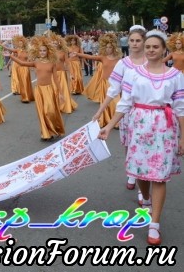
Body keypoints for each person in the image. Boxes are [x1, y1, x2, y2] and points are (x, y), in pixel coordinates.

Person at [98, 30, 184, 246]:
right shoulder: (134, 73)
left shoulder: (176, 76)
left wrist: (183, 137)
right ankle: (145, 198)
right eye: (148, 47)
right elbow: (125, 102)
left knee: (160, 176)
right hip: (139, 125)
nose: (151, 50)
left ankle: (154, 224)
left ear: (164, 49)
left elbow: (181, 108)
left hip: (164, 127)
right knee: (141, 173)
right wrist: (108, 126)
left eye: (155, 47)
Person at [93, 25, 147, 190]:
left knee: (144, 147)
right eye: (132, 40)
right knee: (129, 145)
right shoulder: (123, 64)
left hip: (147, 112)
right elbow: (113, 90)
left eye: (138, 40)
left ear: (144, 41)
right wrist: (99, 111)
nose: (135, 44)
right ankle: (131, 173)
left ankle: (143, 181)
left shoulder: (151, 62)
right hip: (127, 112)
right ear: (127, 42)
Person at [11, 36, 65, 141]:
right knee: (42, 112)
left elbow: (56, 79)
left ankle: (54, 128)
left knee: (50, 111)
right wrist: (11, 57)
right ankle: (45, 133)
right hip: (39, 90)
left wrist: (61, 93)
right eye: (40, 51)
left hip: (49, 90)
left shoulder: (52, 63)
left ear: (48, 51)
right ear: (38, 52)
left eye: (44, 50)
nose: (42, 52)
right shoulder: (36, 62)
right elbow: (23, 63)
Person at [77, 34, 122, 127]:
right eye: (106, 47)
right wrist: (77, 54)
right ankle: (106, 119)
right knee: (105, 103)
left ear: (113, 48)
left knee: (116, 103)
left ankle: (116, 122)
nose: (108, 49)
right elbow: (89, 57)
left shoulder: (119, 59)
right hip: (105, 83)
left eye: (110, 47)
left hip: (115, 83)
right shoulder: (103, 58)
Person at [9, 35, 34, 104]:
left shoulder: (27, 51)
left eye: (21, 43)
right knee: (22, 82)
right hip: (19, 68)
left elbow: (30, 59)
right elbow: (10, 50)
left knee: (26, 81)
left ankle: (27, 96)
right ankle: (24, 97)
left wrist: (31, 66)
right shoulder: (17, 50)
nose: (20, 44)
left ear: (24, 43)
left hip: (26, 68)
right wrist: (2, 46)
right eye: (19, 43)